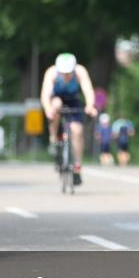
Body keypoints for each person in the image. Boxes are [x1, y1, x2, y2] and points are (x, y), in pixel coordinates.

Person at [40, 52, 97, 185]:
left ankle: (77, 167)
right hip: (57, 99)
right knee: (56, 105)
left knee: (77, 131)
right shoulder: (52, 72)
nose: (65, 76)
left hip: (73, 100)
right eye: (63, 73)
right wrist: (48, 109)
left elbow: (88, 90)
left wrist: (90, 106)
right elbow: (45, 94)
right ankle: (53, 138)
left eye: (68, 73)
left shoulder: (80, 72)